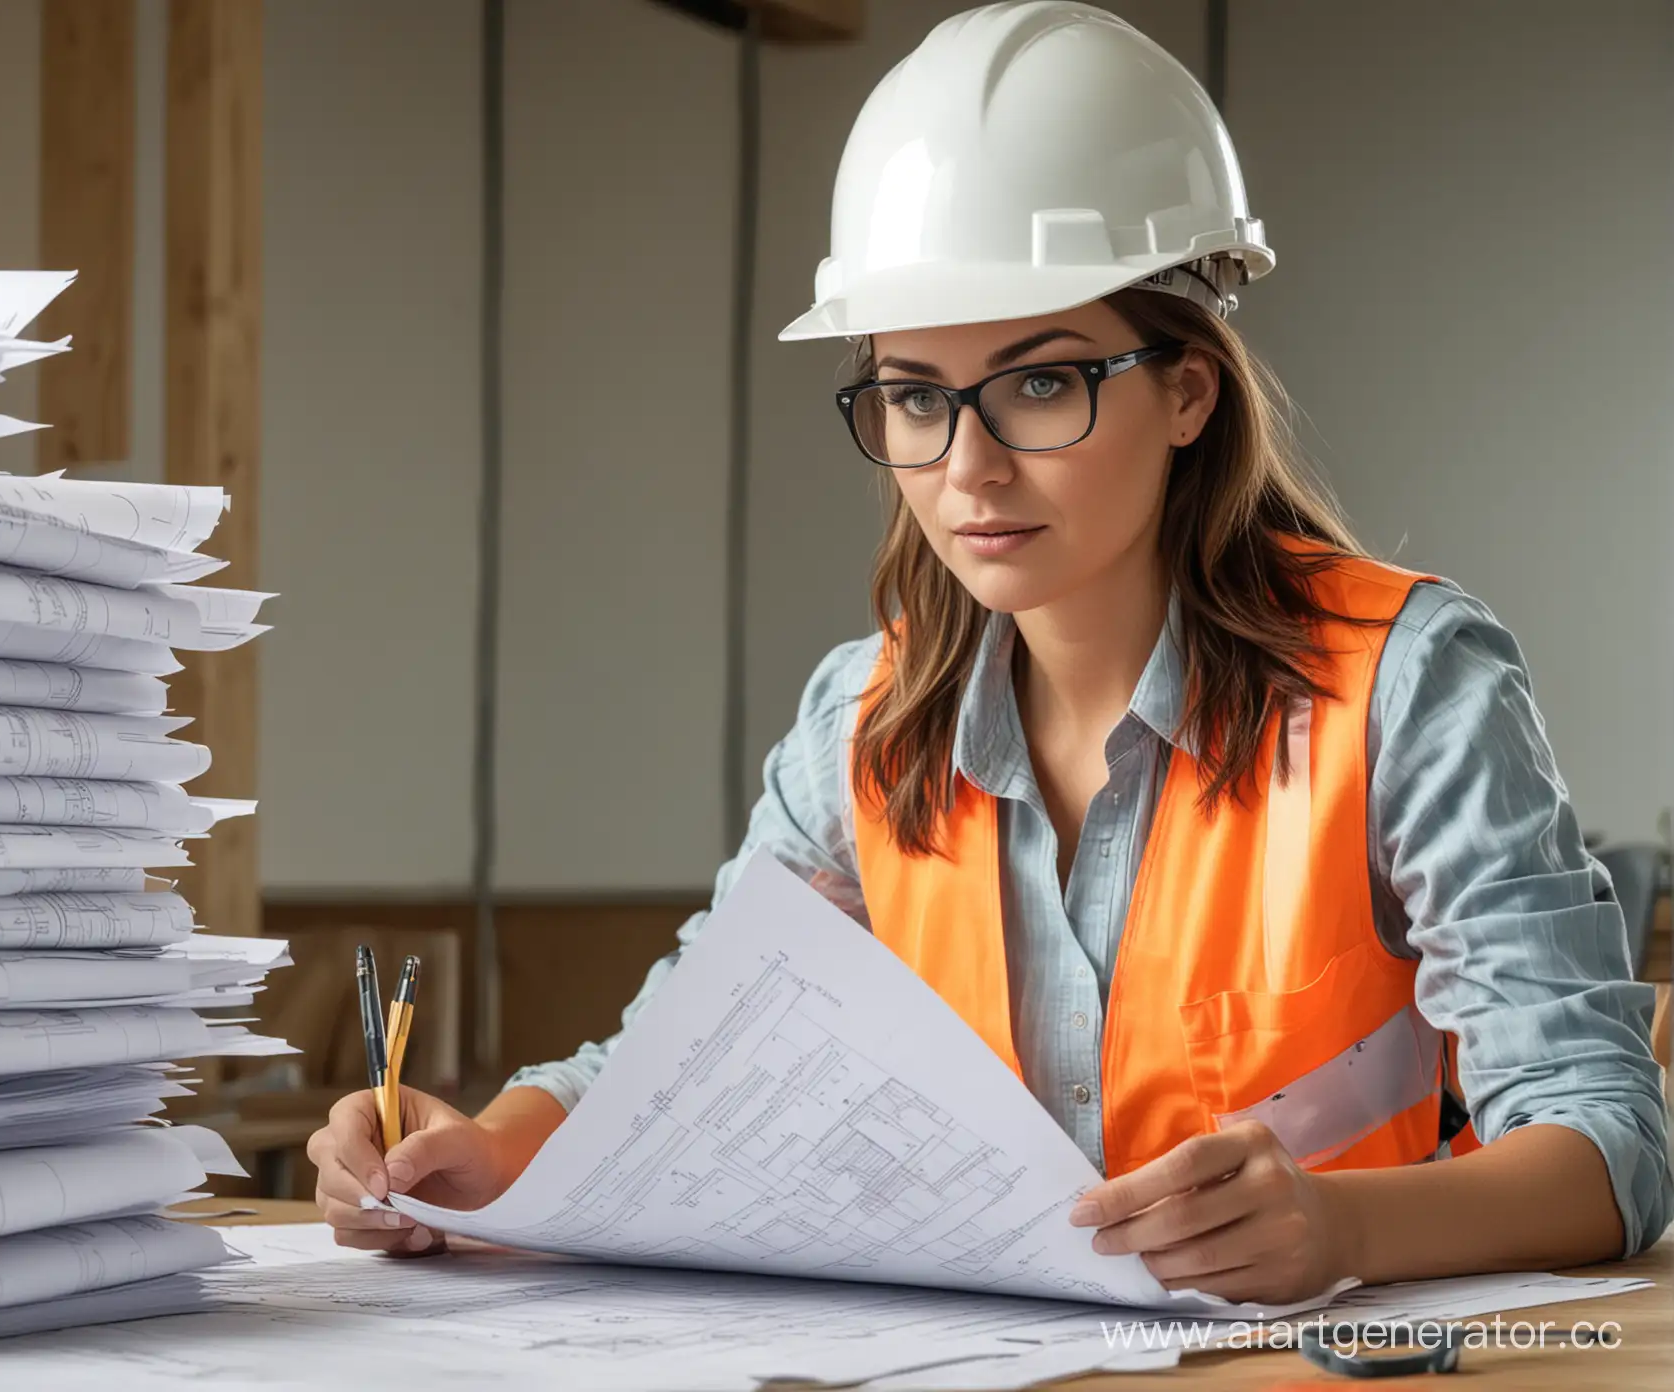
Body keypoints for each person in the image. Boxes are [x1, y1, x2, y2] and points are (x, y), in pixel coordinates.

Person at [309, 1, 1670, 1302]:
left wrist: (1335, 1225)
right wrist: (486, 1148)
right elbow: (682, 1062)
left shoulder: (1410, 682)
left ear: (1188, 389)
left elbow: (1608, 1146)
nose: (968, 468)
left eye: (1040, 382)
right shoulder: (861, 721)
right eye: (914, 396)